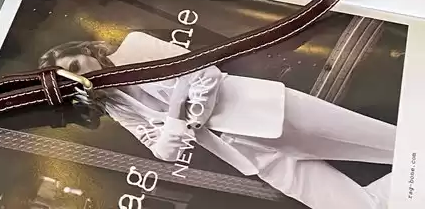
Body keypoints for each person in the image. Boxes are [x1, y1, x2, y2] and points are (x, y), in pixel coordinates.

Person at [41, 32, 395, 209]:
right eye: (72, 79)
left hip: (272, 113)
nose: (81, 75)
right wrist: (179, 109)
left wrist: (183, 117)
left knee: (403, 146)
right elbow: (163, 152)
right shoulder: (117, 106)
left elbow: (205, 74)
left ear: (86, 51)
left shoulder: (135, 45)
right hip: (253, 157)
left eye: (75, 66)